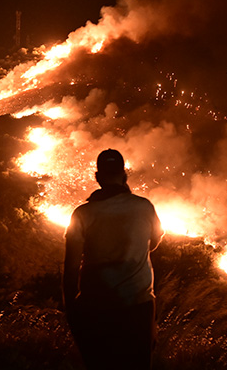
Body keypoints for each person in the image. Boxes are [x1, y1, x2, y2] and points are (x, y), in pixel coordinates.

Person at [63, 149, 164, 369]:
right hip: (138, 307)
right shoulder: (144, 207)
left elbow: (70, 268)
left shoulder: (82, 214)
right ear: (124, 174)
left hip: (96, 308)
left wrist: (72, 312)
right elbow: (154, 243)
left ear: (97, 177)